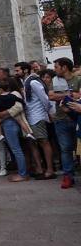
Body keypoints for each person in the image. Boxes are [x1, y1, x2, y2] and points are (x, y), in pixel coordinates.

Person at [15, 62, 55, 179]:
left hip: (38, 116)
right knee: (32, 143)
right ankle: (39, 169)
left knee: (43, 142)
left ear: (25, 70)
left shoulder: (33, 82)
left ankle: (50, 170)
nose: (16, 73)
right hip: (30, 117)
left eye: (18, 70)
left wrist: (49, 113)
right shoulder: (25, 82)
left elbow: (45, 99)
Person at [49, 57, 80, 189]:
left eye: (56, 67)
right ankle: (68, 176)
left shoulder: (78, 79)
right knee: (65, 148)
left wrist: (61, 95)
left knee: (78, 149)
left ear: (64, 67)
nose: (54, 69)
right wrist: (70, 95)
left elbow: (79, 96)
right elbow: (50, 96)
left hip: (77, 119)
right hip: (61, 119)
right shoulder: (55, 80)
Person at [0, 78, 31, 182]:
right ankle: (22, 172)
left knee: (16, 150)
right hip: (14, 121)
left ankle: (23, 174)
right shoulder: (13, 96)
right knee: (18, 149)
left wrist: (3, 114)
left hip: (9, 123)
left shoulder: (2, 97)